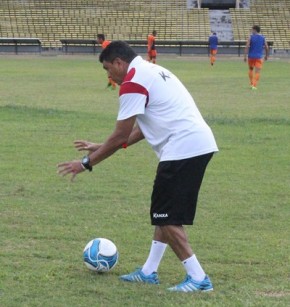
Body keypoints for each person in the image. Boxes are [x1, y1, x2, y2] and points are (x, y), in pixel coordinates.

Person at [58, 41, 218, 292]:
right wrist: (101, 145)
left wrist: (86, 163)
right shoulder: (151, 71)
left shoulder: (133, 81)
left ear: (119, 63)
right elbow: (142, 128)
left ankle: (198, 279)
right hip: (195, 144)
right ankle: (148, 271)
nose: (109, 76)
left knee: (166, 217)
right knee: (163, 213)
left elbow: (121, 134)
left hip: (183, 147)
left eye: (108, 69)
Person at [244, 25, 269, 90]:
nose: (251, 31)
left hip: (251, 57)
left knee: (251, 69)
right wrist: (266, 55)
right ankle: (254, 85)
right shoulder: (263, 37)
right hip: (259, 57)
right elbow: (266, 47)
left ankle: (252, 83)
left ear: (255, 30)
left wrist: (245, 56)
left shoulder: (250, 37)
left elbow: (247, 46)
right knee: (257, 72)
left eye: (252, 30)